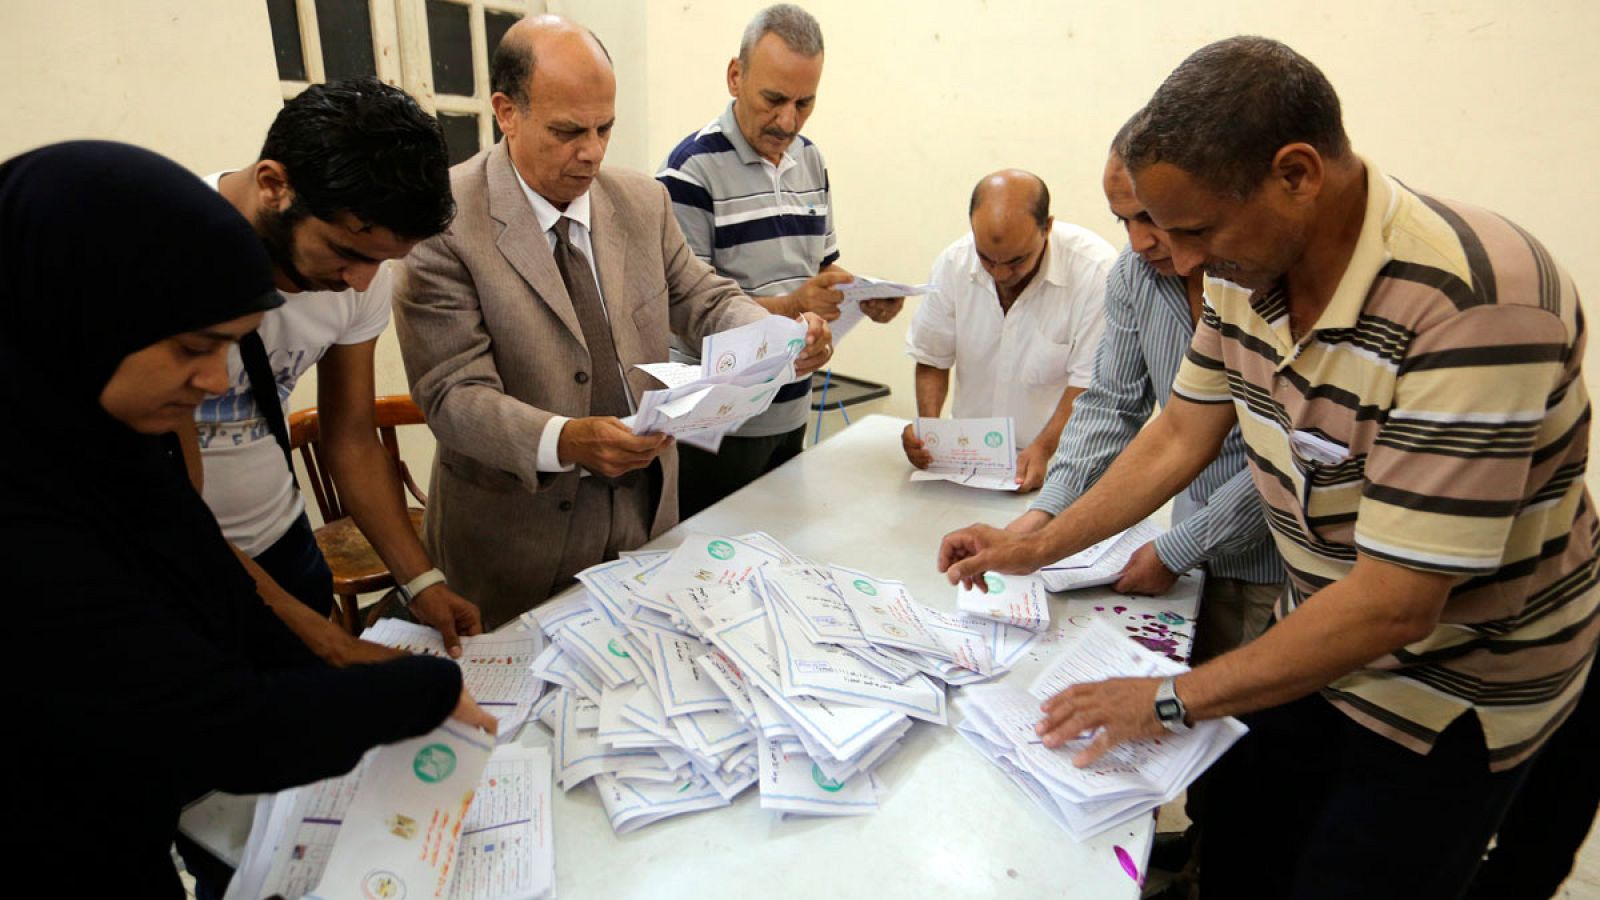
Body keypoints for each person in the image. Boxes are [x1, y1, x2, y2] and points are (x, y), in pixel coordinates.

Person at [938, 37, 1599, 898]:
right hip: (1320, 641)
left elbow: (1396, 603)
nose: (1173, 260)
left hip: (1452, 689)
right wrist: (1041, 544)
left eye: (1194, 231)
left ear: (1296, 174)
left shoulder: (1474, 305)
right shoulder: (1240, 275)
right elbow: (1180, 432)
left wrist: (1168, 697)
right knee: (1245, 846)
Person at [0, 141, 494, 898]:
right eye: (194, 349)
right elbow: (214, 727)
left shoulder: (107, 440)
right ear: (81, 314)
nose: (213, 381)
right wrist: (415, 693)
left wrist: (335, 649)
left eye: (229, 348)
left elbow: (206, 564)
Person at [393, 15, 832, 629]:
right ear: (506, 111)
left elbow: (704, 298)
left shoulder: (639, 201)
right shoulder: (446, 223)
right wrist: (565, 440)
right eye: (569, 131)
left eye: (605, 128)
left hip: (641, 524)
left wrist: (777, 338)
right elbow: (454, 396)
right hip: (513, 544)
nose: (593, 152)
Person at [197, 77, 484, 660]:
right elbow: (153, 499)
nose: (358, 282)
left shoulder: (359, 277)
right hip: (183, 568)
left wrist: (421, 582)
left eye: (382, 261)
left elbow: (351, 438)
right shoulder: (168, 252)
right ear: (274, 185)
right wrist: (330, 642)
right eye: (347, 252)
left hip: (284, 544)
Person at [657, 3, 898, 518]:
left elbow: (821, 272)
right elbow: (687, 311)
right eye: (773, 99)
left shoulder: (810, 160)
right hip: (715, 426)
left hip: (791, 408)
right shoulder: (688, 173)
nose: (788, 120)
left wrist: (858, 296)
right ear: (735, 76)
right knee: (709, 576)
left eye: (804, 103)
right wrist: (793, 306)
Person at [903, 169, 1113, 490]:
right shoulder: (953, 263)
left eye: (1016, 260)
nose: (1000, 273)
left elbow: (1087, 384)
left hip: (1061, 465)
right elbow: (932, 358)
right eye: (986, 258)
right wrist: (931, 435)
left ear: (1048, 228)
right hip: (968, 464)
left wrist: (1043, 449)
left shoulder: (1094, 272)